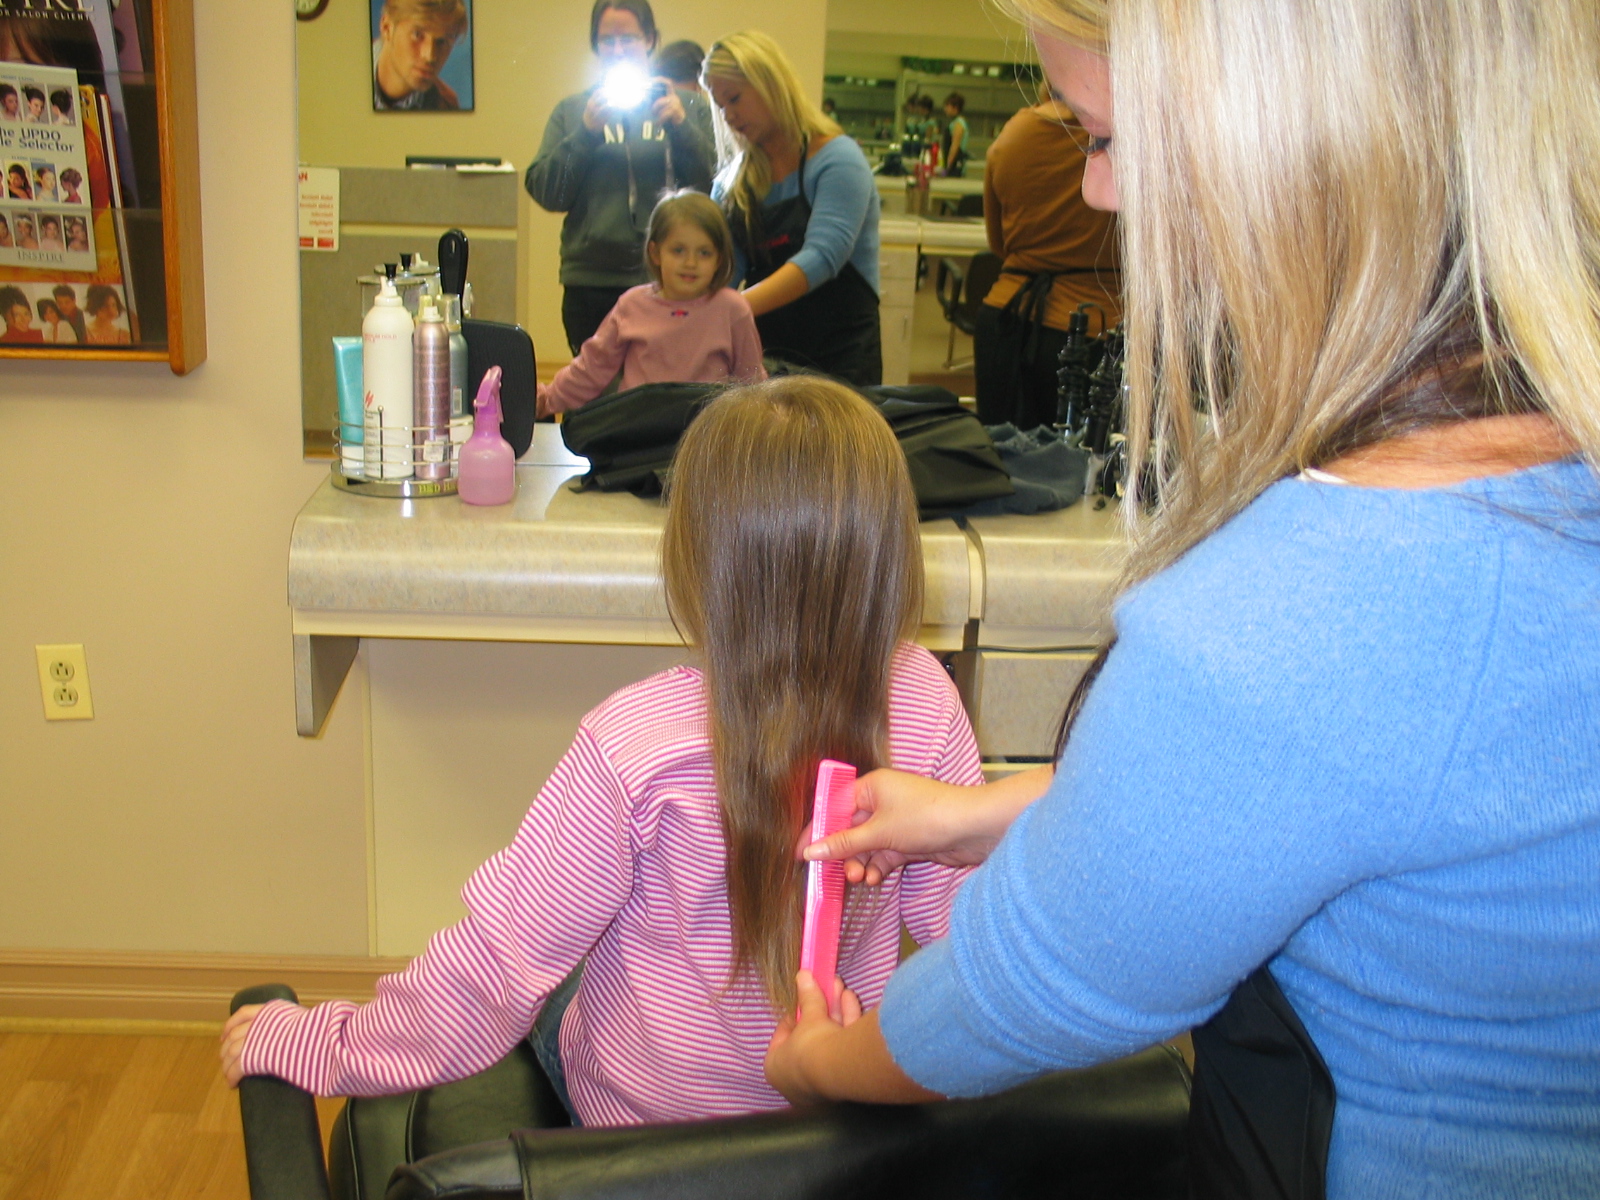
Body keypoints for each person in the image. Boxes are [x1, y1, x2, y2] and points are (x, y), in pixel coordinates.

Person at [765, 2, 1600, 1197]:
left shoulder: (1296, 615)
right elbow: (1345, 784)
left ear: (1282, 147)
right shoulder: (1536, 492)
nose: (1095, 192)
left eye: (1103, 137)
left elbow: (1022, 994)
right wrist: (974, 817)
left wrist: (820, 1061)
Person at [220, 376, 983, 1128]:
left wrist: (322, 1043)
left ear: (694, 562)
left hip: (643, 1134)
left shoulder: (634, 746)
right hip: (829, 1109)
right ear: (893, 554)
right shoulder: (927, 700)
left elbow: (494, 973)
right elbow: (976, 946)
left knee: (556, 972)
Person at [526, 0, 716, 355]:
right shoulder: (573, 111)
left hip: (672, 278)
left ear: (650, 40)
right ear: (595, 45)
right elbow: (549, 192)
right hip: (592, 282)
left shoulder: (687, 107)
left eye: (628, 39)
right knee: (596, 386)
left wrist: (681, 128)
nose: (617, 50)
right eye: (607, 40)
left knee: (669, 382)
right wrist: (586, 133)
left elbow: (715, 188)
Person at [705, 31, 883, 385]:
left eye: (735, 98)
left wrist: (730, 311)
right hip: (769, 359)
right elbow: (723, 270)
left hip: (842, 354)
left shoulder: (837, 159)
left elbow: (823, 256)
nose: (729, 115)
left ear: (770, 83)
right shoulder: (731, 184)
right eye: (720, 105)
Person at [537, 190, 764, 416]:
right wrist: (547, 399)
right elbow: (593, 367)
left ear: (719, 259)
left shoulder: (732, 309)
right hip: (639, 427)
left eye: (704, 253)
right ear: (655, 253)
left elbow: (751, 381)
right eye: (678, 250)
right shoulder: (631, 305)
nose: (691, 263)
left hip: (705, 429)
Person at [974, 85, 1120, 428]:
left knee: (999, 451)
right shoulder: (1122, 135)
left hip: (1007, 322)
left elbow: (999, 244)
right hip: (1095, 328)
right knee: (1087, 458)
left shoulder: (1014, 135)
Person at [371, 0, 468, 111]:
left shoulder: (446, 106)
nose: (430, 56)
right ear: (387, 28)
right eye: (417, 35)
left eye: (442, 41)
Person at [939, 92, 968, 177]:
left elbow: (954, 146)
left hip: (955, 164)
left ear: (955, 108)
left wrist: (948, 167)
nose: (945, 109)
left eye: (947, 106)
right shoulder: (953, 123)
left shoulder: (959, 124)